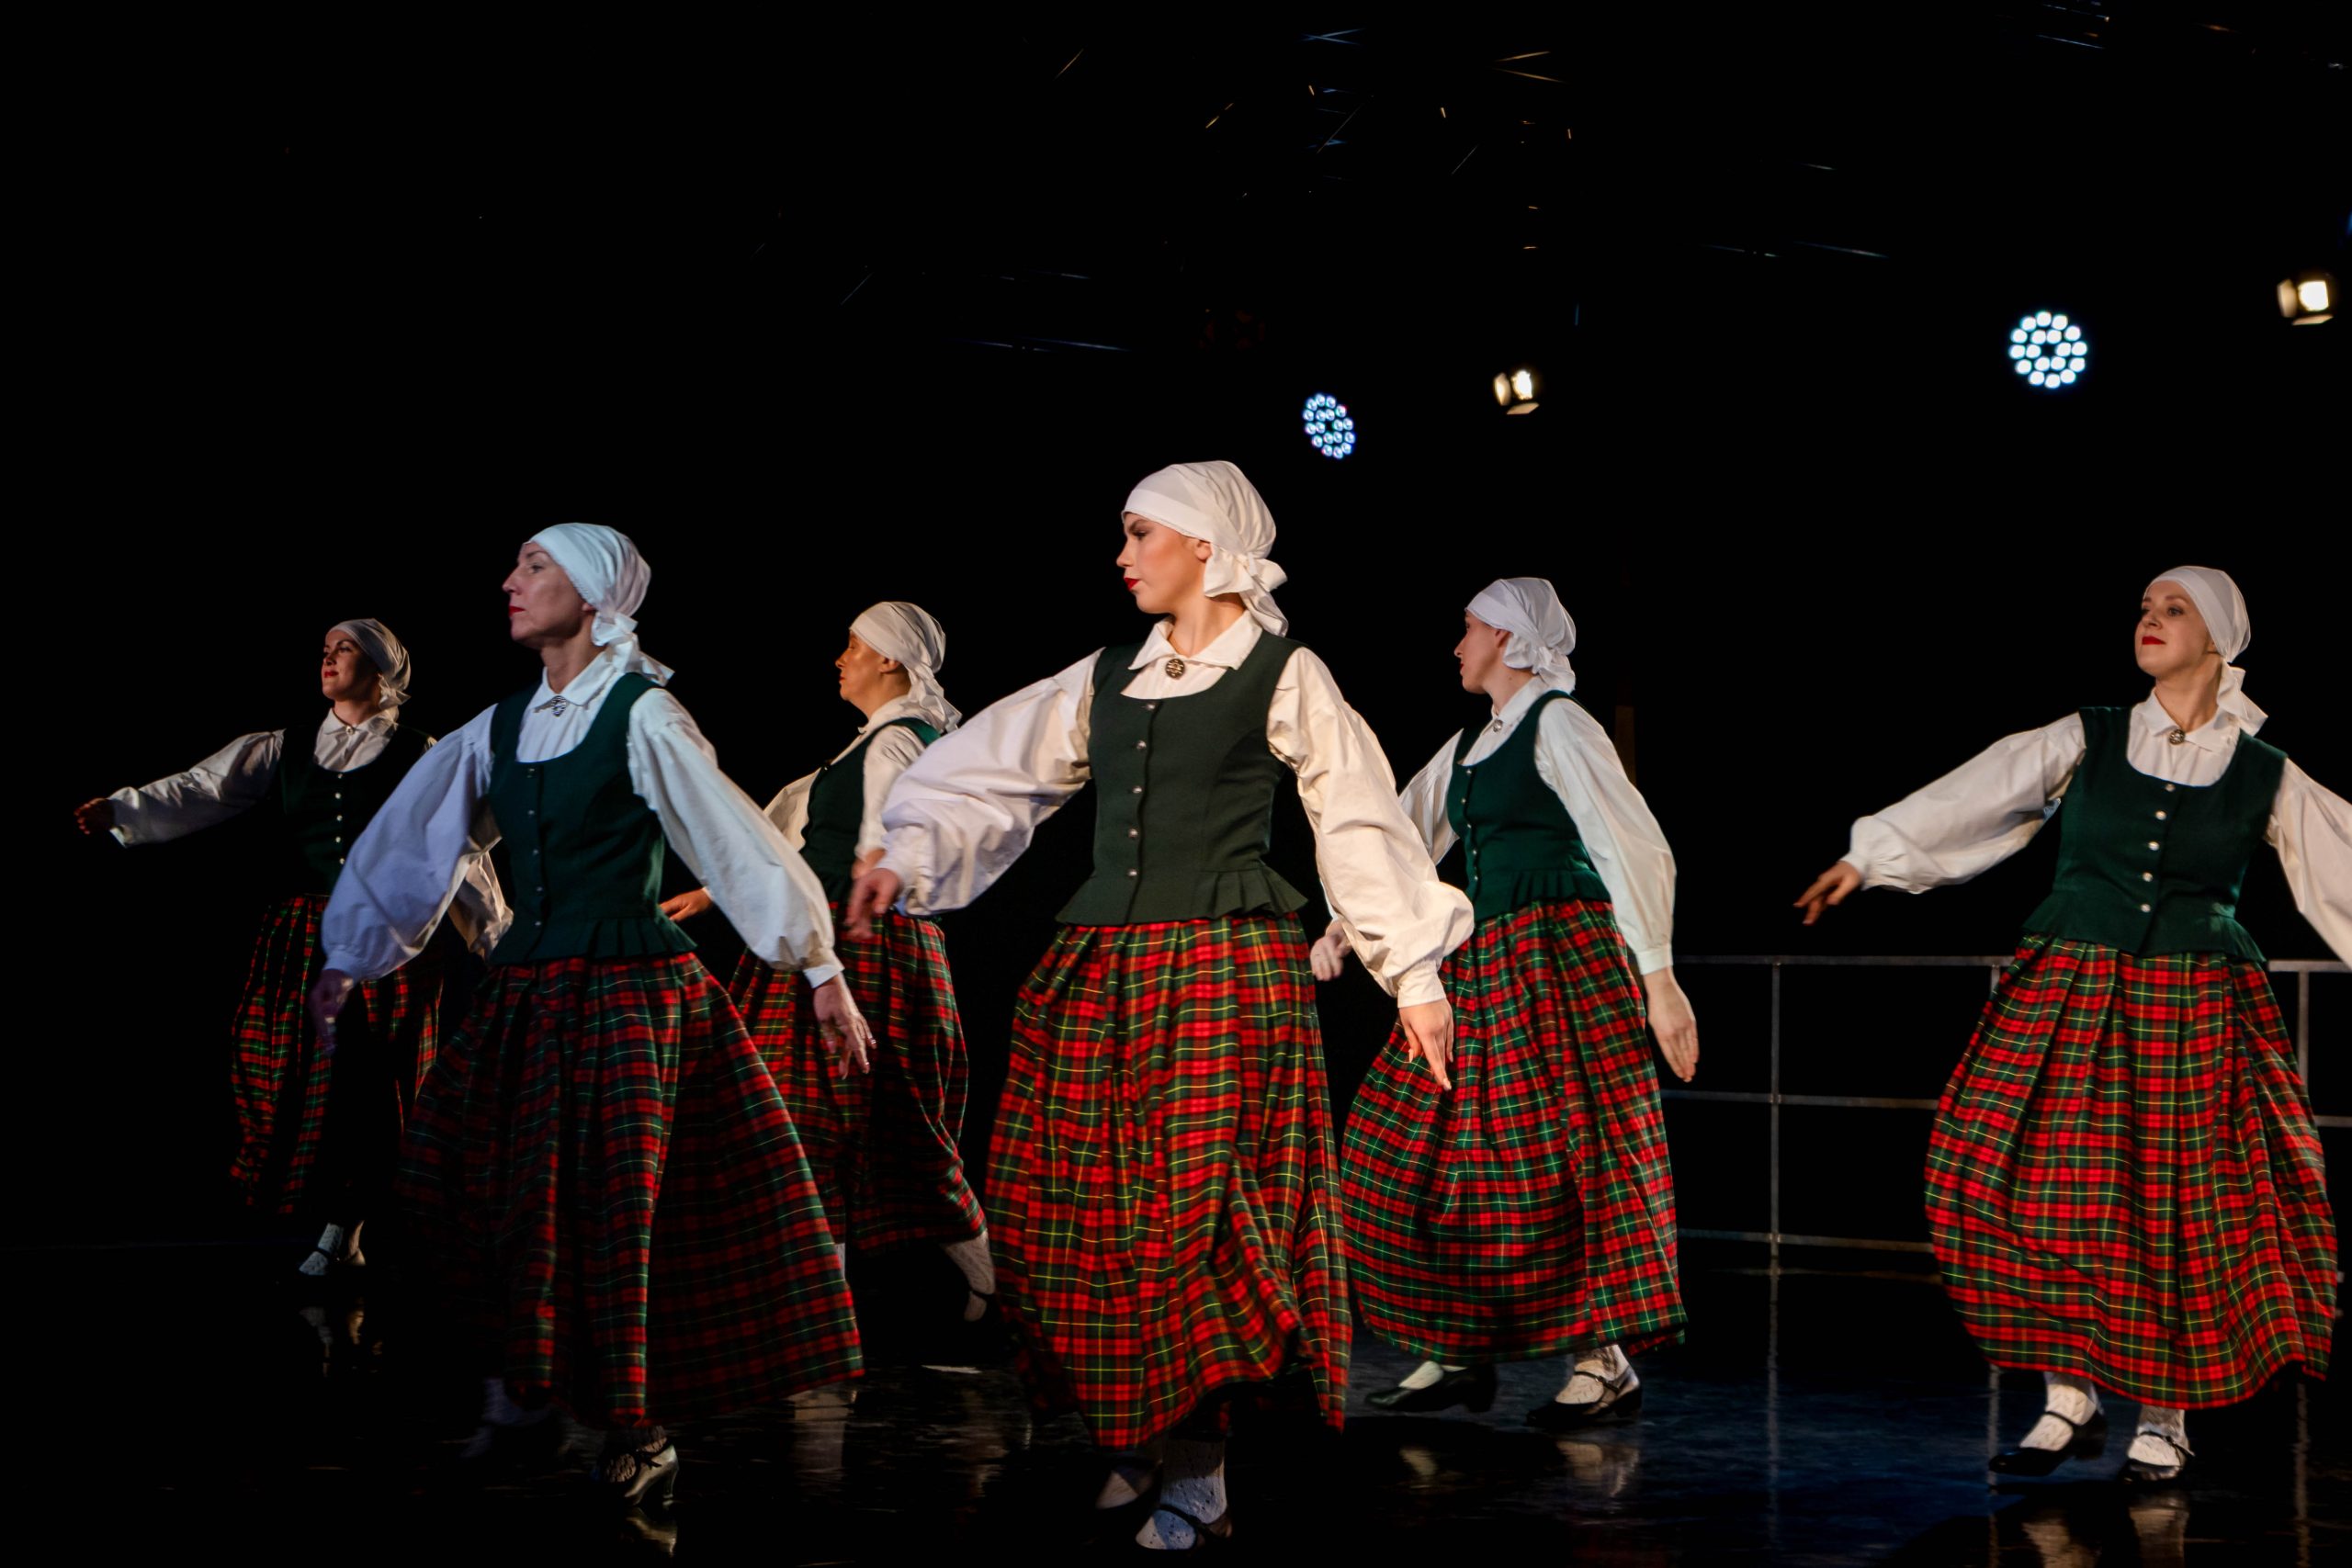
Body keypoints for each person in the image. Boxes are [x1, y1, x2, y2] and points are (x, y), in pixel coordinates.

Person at [846, 460, 1473, 1550]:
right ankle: (1134, 1435)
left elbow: (1356, 815)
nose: (1123, 555)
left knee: (1198, 1221)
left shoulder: (1281, 670)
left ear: (1203, 545)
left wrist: (1412, 974)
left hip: (1225, 969)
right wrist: (906, 855)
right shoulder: (1107, 677)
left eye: (1141, 533)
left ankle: (1198, 1470)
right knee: (1080, 1214)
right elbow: (991, 771)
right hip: (1102, 970)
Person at [309, 524, 869, 1509]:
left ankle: (636, 1426)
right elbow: (418, 839)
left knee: (617, 1211)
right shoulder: (502, 723)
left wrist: (817, 963)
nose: (510, 581)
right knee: (479, 1186)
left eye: (536, 567)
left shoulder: (643, 714)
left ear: (595, 591)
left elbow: (733, 839)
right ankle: (520, 1395)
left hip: (628, 992)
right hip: (529, 991)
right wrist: (351, 955)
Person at [1795, 566, 2346, 1484]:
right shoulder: (2087, 736)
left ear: (2218, 640)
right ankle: (2067, 1394)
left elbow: (2341, 871)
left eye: (2174, 610)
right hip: (2073, 990)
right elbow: (1981, 793)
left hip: (2193, 1003)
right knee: (2037, 1182)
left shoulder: (2263, 772)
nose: (2149, 619)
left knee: (2174, 1203)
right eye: (2144, 607)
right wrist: (1873, 857)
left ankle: (2163, 1416)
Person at [1317, 577, 1698, 1429]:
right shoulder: (1470, 744)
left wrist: (1659, 975)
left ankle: (1602, 1360)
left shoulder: (1560, 723)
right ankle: (1457, 1344)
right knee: (1418, 1146)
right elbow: (1400, 834)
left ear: (1505, 636)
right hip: (1483, 959)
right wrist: (1348, 924)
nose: (1457, 645)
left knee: (1563, 1153)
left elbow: (1631, 841)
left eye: (1468, 627)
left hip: (1561, 957)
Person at [74, 619, 501, 1275]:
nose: (328, 658)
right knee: (277, 1072)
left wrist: (495, 934)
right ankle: (332, 1216)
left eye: (345, 649)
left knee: (372, 1083)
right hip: (303, 935)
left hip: (388, 940)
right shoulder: (284, 746)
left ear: (381, 668)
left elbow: (459, 848)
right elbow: (204, 786)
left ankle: (345, 1226)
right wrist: (123, 810)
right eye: (325, 650)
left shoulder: (422, 753)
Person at [661, 602, 994, 1320]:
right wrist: (716, 892)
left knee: (849, 1122)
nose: (841, 659)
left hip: (861, 942)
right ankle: (826, 1305)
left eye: (854, 646)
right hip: (836, 938)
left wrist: (873, 867)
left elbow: (886, 827)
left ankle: (915, 1286)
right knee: (821, 1122)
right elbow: (800, 833)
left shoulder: (897, 742)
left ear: (890, 657)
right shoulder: (870, 744)